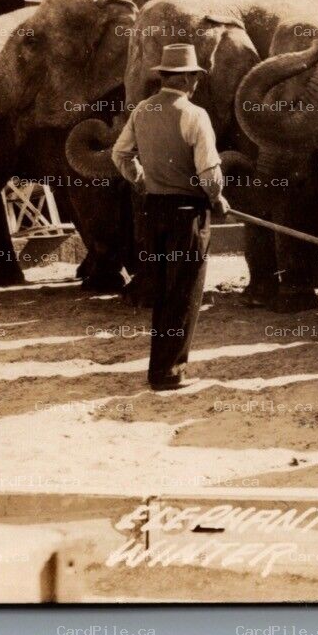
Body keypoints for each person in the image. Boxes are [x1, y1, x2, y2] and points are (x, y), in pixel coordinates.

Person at [111, 43, 230, 391]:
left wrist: (143, 180)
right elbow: (209, 173)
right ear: (190, 79)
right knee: (184, 291)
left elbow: (120, 155)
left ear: (163, 77)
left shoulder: (141, 111)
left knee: (162, 289)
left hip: (153, 210)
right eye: (194, 77)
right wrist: (217, 198)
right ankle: (169, 373)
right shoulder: (195, 115)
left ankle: (158, 368)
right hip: (187, 215)